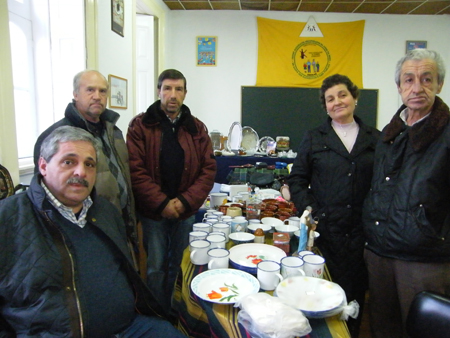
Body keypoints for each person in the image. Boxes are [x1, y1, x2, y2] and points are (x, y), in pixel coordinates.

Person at [0, 126, 185, 337]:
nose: (81, 172)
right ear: (43, 165)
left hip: (130, 327)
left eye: (89, 164)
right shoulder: (8, 218)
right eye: (69, 161)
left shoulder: (104, 210)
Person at [362, 49, 450, 338]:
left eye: (427, 79)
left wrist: (433, 233)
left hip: (423, 259)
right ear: (399, 87)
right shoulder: (391, 132)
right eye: (409, 80)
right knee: (383, 327)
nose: (417, 88)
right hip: (380, 252)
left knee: (423, 330)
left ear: (439, 85)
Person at [288, 74, 380, 338]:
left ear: (354, 98)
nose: (337, 102)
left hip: (363, 237)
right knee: (320, 298)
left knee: (355, 299)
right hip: (325, 235)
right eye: (330, 99)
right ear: (325, 106)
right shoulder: (315, 138)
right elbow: (297, 179)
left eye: (342, 95)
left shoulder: (376, 139)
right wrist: (313, 212)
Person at [127, 69, 216, 317]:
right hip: (154, 213)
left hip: (185, 212)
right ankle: (156, 314)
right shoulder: (140, 125)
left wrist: (184, 202)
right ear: (159, 91)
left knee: (180, 264)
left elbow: (208, 170)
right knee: (155, 267)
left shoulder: (197, 128)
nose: (172, 95)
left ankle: (179, 313)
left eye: (178, 89)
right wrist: (163, 203)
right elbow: (135, 171)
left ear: (185, 93)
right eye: (167, 88)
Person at [33, 70, 137, 252]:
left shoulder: (115, 132)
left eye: (102, 91)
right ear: (75, 94)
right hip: (83, 231)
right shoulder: (57, 136)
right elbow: (42, 195)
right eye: (90, 90)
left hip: (120, 224)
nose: (97, 96)